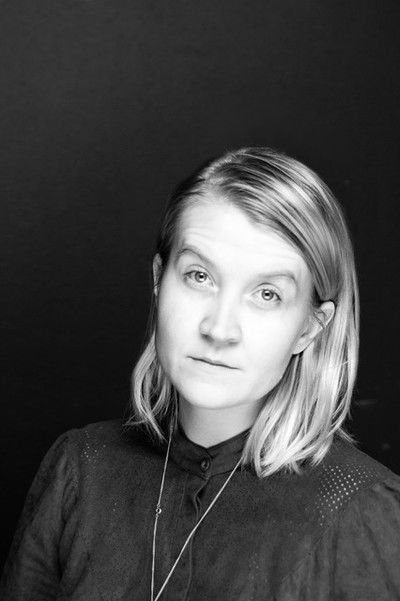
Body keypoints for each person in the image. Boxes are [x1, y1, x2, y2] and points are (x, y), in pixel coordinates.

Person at [1, 147, 400, 600]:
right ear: (159, 279)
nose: (219, 329)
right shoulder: (81, 470)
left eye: (267, 294)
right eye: (199, 276)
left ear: (309, 328)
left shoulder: (363, 513)